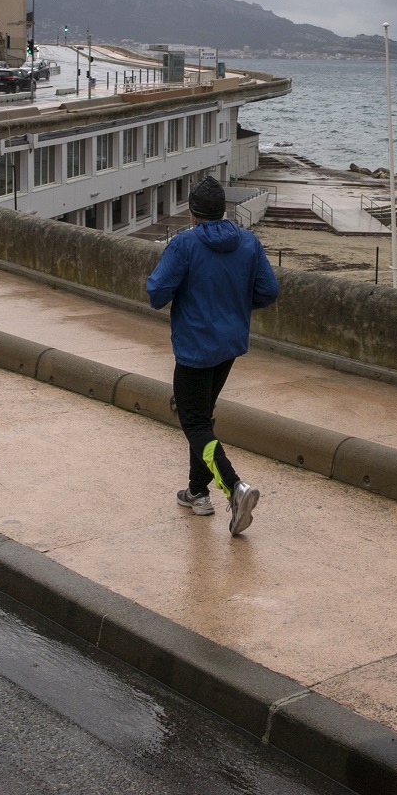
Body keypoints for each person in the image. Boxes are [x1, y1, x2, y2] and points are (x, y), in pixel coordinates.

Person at [145, 174, 278, 535]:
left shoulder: (185, 244)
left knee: (195, 422)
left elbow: (156, 292)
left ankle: (235, 487)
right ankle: (197, 492)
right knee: (201, 417)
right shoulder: (248, 242)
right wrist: (234, 304)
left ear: (192, 213)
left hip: (194, 349)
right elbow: (268, 291)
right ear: (223, 210)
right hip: (229, 347)